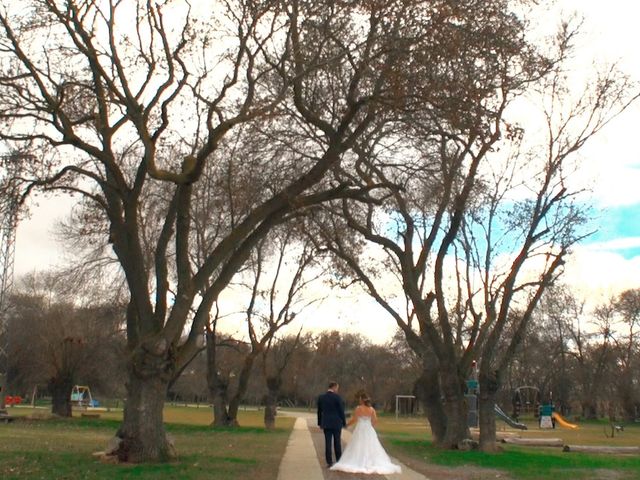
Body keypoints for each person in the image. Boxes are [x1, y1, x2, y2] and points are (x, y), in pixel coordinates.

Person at [330, 392, 402, 475]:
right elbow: (375, 420)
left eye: (360, 399)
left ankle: (357, 460)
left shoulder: (358, 408)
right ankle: (371, 461)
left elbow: (354, 419)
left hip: (360, 428)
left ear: (362, 400)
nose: (359, 400)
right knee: (370, 444)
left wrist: (346, 425)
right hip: (368, 428)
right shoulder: (371, 409)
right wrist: (370, 426)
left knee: (358, 444)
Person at [317, 381, 346, 467]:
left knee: (328, 442)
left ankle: (329, 462)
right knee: (337, 442)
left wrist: (319, 422)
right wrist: (344, 422)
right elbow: (341, 411)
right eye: (337, 388)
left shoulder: (321, 397)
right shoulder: (337, 398)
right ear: (334, 387)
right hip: (336, 423)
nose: (337, 390)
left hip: (326, 423)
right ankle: (338, 460)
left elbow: (319, 411)